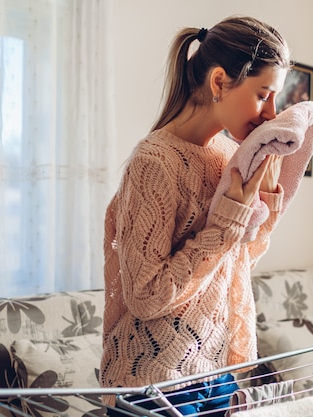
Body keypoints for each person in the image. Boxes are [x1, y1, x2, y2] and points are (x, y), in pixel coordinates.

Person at [100, 15, 291, 416]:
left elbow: (236, 263)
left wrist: (268, 200)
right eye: (264, 94)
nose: (271, 113)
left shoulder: (228, 157)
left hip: (216, 371)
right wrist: (226, 223)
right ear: (220, 82)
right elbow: (147, 296)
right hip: (156, 381)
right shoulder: (155, 162)